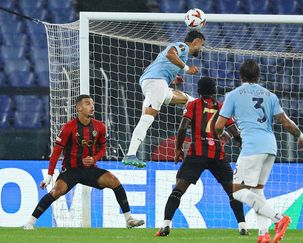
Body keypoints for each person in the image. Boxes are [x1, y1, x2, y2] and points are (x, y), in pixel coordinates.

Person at [215, 60, 303, 243]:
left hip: (252, 147)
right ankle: (263, 234)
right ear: (258, 76)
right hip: (270, 147)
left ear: (241, 76)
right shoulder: (270, 95)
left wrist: (223, 134)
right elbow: (285, 122)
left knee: (237, 192)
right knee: (257, 191)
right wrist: (301, 136)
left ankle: (280, 219)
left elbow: (218, 125)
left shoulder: (233, 95)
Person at [23, 95, 144, 230]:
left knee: (114, 181)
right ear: (79, 108)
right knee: (56, 191)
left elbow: (102, 149)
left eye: (92, 104)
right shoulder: (69, 127)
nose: (92, 106)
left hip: (90, 169)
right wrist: (50, 175)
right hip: (71, 170)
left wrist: (94, 159)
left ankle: (129, 219)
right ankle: (30, 222)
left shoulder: (100, 127)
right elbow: (56, 152)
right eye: (87, 104)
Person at [155, 77, 248, 237]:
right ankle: (243, 226)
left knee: (178, 189)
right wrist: (241, 142)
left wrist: (178, 148)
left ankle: (165, 225)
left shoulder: (193, 105)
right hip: (217, 155)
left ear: (199, 91)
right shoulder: (221, 107)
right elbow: (234, 130)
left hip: (197, 154)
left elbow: (183, 127)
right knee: (232, 192)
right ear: (214, 91)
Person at [123, 30, 205, 167]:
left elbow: (164, 62)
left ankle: (190, 121)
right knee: (148, 117)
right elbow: (169, 54)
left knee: (190, 101)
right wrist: (186, 69)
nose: (200, 49)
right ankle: (131, 154)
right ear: (195, 42)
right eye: (200, 45)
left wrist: (174, 76)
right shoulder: (182, 47)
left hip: (155, 83)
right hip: (156, 82)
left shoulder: (182, 55)